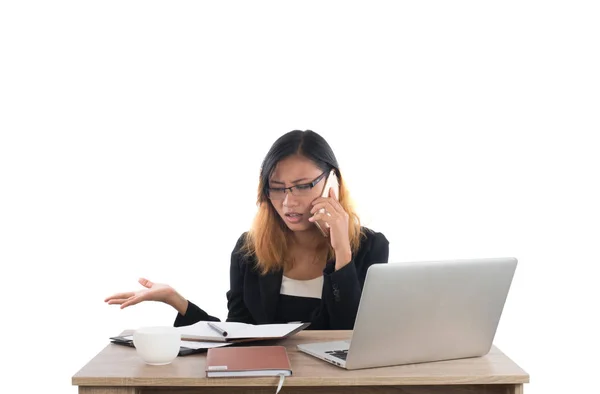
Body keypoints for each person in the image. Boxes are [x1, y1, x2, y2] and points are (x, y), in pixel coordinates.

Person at [104, 130, 389, 329]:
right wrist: (176, 301)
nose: (289, 202)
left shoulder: (369, 247)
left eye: (303, 186)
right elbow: (237, 335)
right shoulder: (249, 251)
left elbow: (352, 335)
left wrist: (341, 250)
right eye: (276, 189)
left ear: (332, 183)